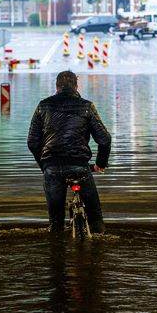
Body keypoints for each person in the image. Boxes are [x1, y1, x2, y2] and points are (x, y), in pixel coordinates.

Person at [27, 70, 111, 234]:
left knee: (56, 224)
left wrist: (44, 165)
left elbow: (32, 142)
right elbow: (105, 139)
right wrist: (100, 164)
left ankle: (56, 250)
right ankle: (98, 246)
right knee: (96, 222)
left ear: (57, 86)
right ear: (76, 86)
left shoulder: (43, 106)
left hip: (52, 167)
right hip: (79, 166)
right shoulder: (86, 106)